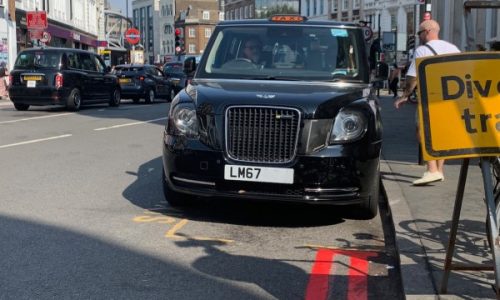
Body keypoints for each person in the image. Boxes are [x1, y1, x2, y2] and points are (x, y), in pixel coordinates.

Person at [394, 19, 461, 186]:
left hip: (430, 97)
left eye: (420, 33)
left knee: (421, 131)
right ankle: (439, 171)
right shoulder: (453, 48)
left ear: (428, 31)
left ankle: (431, 169)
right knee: (441, 134)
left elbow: (412, 78)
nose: (419, 36)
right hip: (450, 98)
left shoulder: (422, 51)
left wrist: (404, 96)